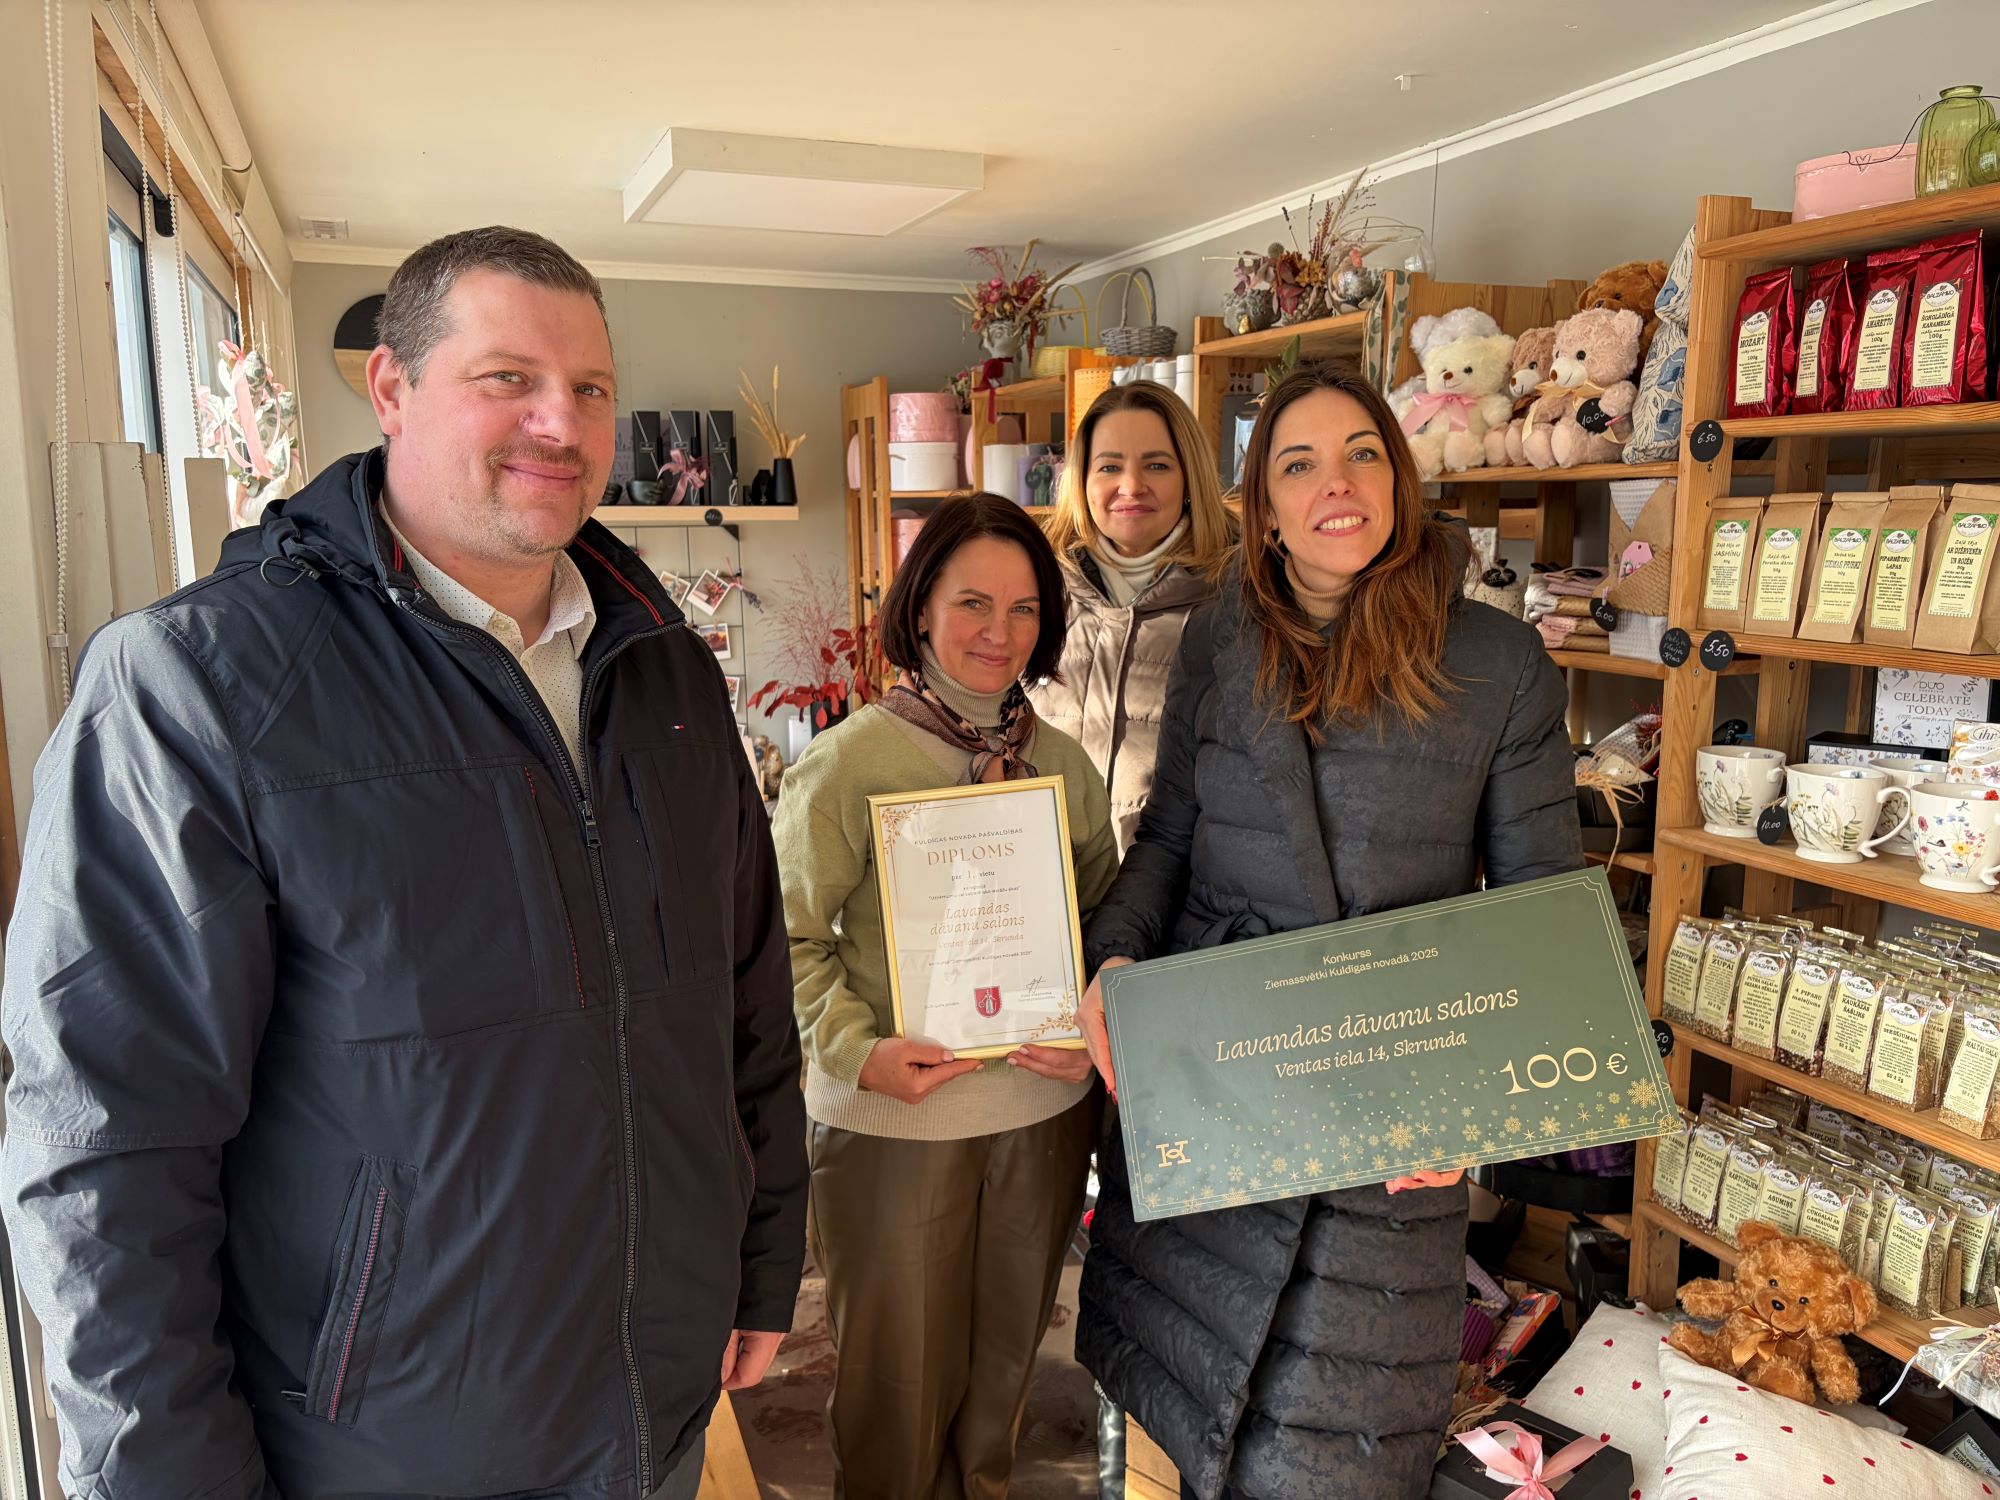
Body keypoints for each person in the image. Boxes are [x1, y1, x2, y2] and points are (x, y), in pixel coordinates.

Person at [0, 226, 806, 1500]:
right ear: (391, 387)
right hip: (374, 1454)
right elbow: (107, 1150)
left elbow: (745, 1003)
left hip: (652, 1420)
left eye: (591, 388)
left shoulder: (666, 673)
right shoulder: (195, 688)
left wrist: (761, 1262)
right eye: (507, 378)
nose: (561, 421)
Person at [1074, 362, 1582, 1500]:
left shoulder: (1496, 665)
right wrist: (1114, 956)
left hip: (1388, 1112)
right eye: (1297, 464)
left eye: (1360, 454)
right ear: (1262, 507)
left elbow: (1541, 909)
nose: (1334, 484)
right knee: (1186, 1418)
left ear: (1398, 479)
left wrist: (1475, 1108)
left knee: (1328, 1452)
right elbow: (1168, 834)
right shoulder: (1218, 639)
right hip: (1220, 1085)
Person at [774, 493, 1119, 1499]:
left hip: (1040, 1117)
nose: (998, 633)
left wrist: (1091, 1024)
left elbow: (1108, 928)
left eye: (1023, 609)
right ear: (920, 607)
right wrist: (856, 1051)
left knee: (999, 1398)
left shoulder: (1061, 765)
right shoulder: (848, 763)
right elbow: (783, 942)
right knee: (894, 1403)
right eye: (973, 602)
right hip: (895, 1124)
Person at [1033, 380, 1238, 852]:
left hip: (1180, 885)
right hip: (1048, 877)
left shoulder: (1240, 595)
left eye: (1157, 465)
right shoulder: (1035, 589)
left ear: (1189, 478)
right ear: (1081, 481)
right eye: (1109, 466)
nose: (1131, 486)